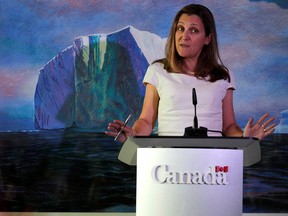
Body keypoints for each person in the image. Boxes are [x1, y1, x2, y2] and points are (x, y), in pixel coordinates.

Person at [105, 4, 276, 143]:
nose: (183, 36)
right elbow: (147, 120)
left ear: (207, 38)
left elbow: (229, 126)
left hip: (212, 159)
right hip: (169, 158)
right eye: (180, 28)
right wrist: (134, 135)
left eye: (193, 30)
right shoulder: (157, 70)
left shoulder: (224, 75)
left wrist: (245, 138)